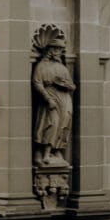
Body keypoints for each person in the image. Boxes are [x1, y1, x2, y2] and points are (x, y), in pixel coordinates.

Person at [32, 32, 75, 166]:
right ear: (49, 50)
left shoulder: (62, 67)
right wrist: (47, 98)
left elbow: (72, 85)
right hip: (50, 97)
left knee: (64, 124)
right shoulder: (41, 66)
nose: (58, 52)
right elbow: (37, 82)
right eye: (56, 49)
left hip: (65, 98)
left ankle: (56, 150)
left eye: (60, 49)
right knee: (50, 124)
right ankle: (43, 152)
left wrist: (69, 86)